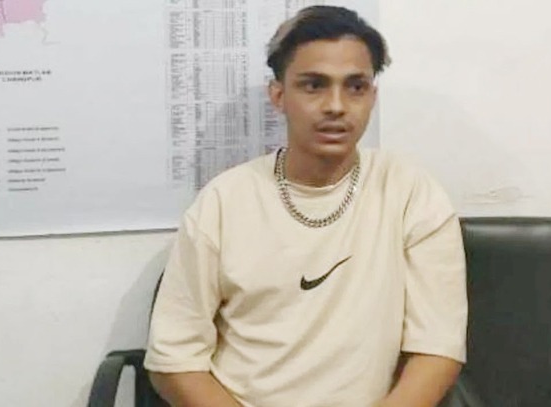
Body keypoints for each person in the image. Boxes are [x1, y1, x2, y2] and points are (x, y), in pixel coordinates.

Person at [145, 5, 467, 407]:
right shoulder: (225, 201)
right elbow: (173, 359)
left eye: (356, 87)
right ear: (278, 95)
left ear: (372, 96)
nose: (336, 106)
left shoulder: (410, 193)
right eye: (314, 85)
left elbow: (437, 348)